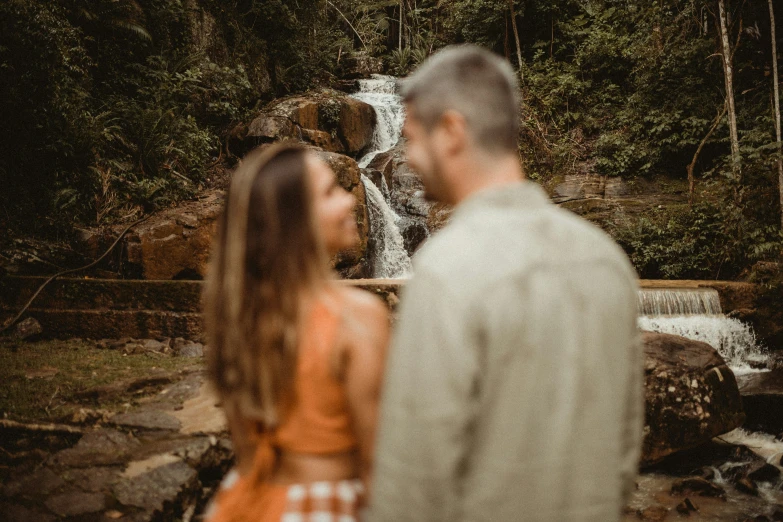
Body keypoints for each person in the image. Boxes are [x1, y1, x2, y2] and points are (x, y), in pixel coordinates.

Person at [368, 45, 643, 522]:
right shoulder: (607, 259)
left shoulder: (448, 268)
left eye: (411, 137)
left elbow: (413, 480)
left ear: (451, 130)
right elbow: (624, 448)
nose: (408, 157)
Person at [203, 143, 390, 522]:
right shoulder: (357, 316)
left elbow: (247, 451)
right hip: (326, 508)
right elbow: (377, 467)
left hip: (247, 503)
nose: (349, 201)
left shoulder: (240, 315)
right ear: (295, 221)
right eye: (330, 192)